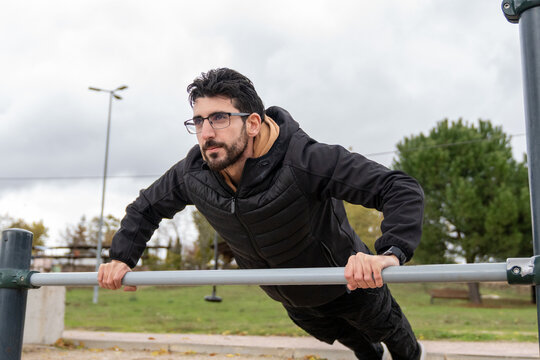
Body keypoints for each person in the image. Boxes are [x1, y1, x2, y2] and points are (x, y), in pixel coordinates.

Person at [98, 68, 425, 360]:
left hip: (350, 285)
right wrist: (122, 257)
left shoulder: (305, 161)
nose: (206, 132)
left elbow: (398, 187)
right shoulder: (193, 173)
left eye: (219, 118)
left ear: (252, 123)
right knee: (359, 346)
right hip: (291, 296)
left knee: (396, 341)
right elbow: (146, 208)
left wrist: (390, 253)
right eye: (198, 121)